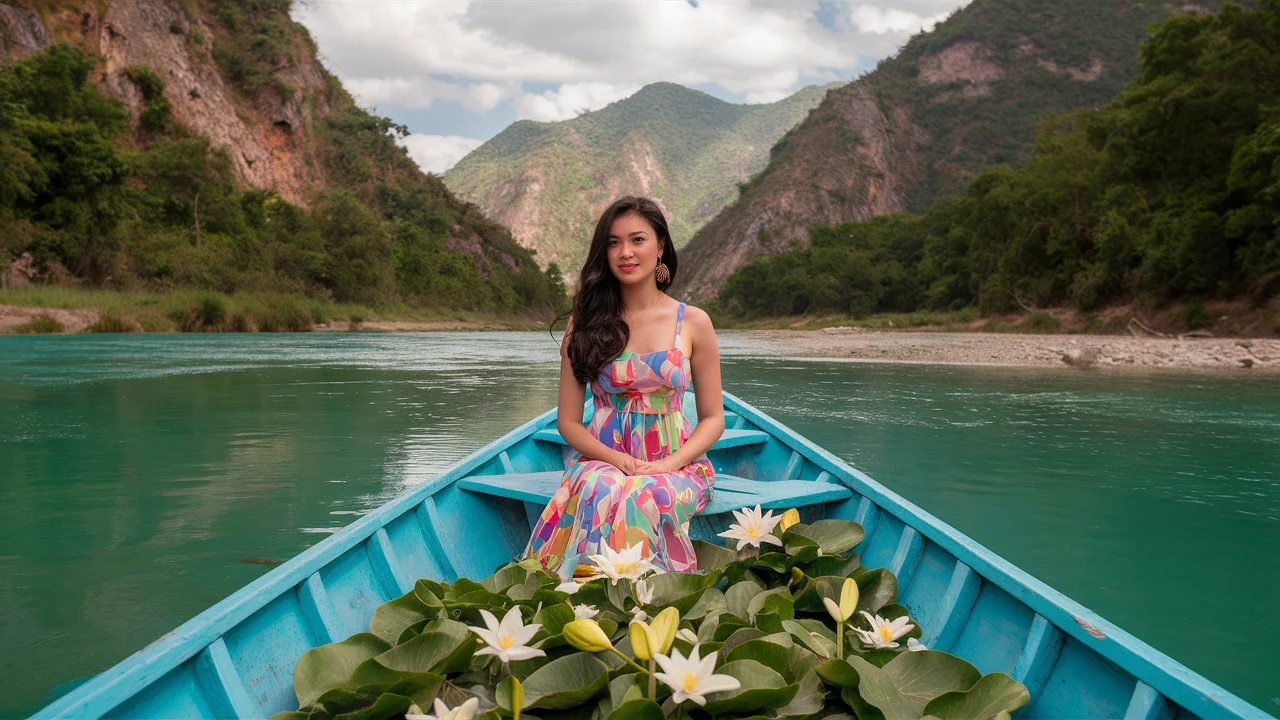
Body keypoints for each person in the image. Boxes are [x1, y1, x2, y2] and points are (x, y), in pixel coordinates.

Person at [523, 196, 725, 580]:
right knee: (602, 489)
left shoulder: (694, 322)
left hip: (677, 463)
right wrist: (618, 461)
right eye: (614, 243)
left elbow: (713, 418)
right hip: (602, 457)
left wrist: (668, 464)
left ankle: (648, 597)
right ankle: (579, 591)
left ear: (660, 246)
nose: (625, 252)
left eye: (637, 240)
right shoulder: (585, 323)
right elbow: (569, 423)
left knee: (643, 495)